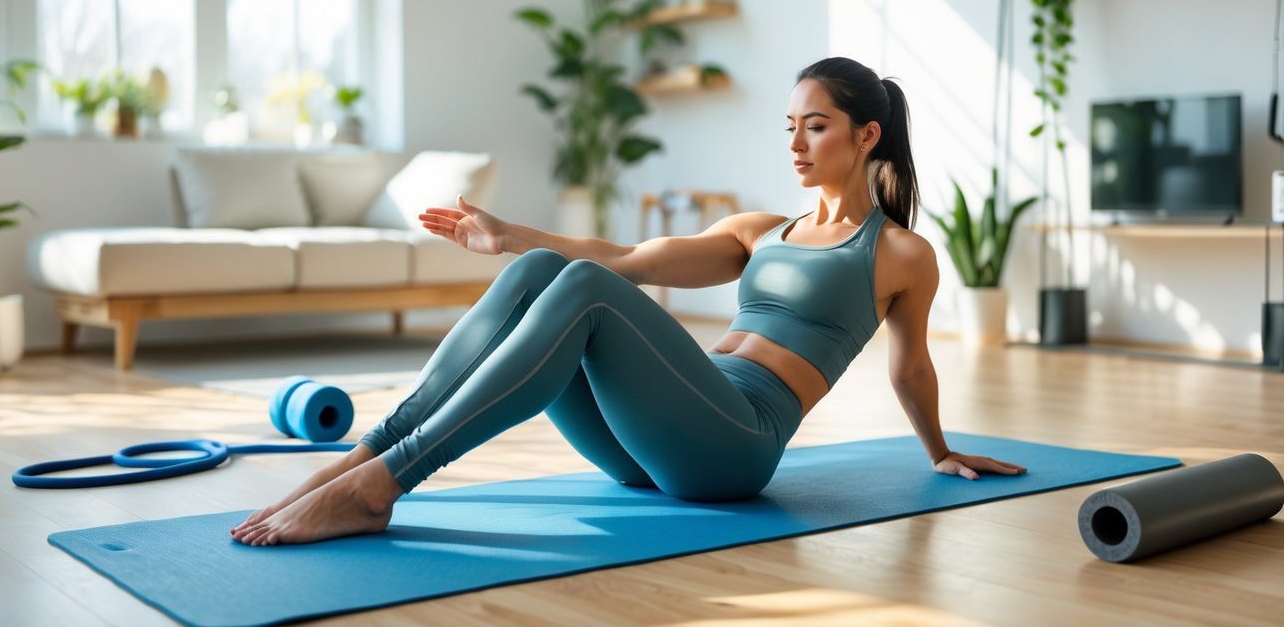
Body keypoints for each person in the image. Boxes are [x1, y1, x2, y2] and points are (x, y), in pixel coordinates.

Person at [230, 56, 1027, 547]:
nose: (793, 144)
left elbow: (911, 367)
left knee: (582, 289)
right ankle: (368, 457)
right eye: (788, 126)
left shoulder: (899, 252)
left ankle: (381, 488)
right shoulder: (758, 229)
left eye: (814, 127)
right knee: (542, 272)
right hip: (652, 441)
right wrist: (505, 234)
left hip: (733, 448)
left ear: (866, 136)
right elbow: (624, 257)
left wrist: (938, 451)